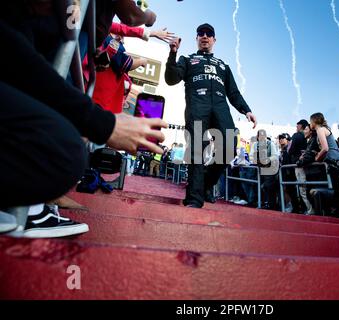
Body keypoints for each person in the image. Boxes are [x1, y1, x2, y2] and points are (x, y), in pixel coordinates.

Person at [0, 21, 167, 236]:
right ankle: (35, 203)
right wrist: (104, 123)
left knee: (72, 150)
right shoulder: (102, 34)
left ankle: (36, 204)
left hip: (94, 109)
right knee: (69, 150)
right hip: (96, 107)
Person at [165, 23, 257, 208]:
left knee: (230, 146)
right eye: (200, 34)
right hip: (197, 106)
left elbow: (234, 93)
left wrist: (246, 110)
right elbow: (171, 79)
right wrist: (173, 53)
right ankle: (194, 199)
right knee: (197, 150)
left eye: (209, 34)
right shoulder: (188, 59)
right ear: (197, 39)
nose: (204, 36)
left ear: (214, 39)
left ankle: (205, 184)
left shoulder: (223, 66)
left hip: (221, 107)